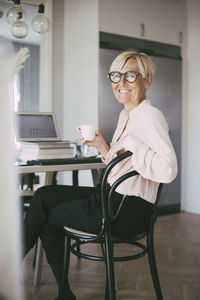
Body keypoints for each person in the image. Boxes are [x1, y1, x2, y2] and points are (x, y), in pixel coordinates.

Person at [23, 50, 178, 300]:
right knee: (43, 195)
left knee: (44, 213)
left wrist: (133, 143)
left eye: (130, 76)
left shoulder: (151, 116)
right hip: (109, 198)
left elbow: (169, 169)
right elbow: (124, 164)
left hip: (126, 210)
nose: (121, 83)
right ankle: (60, 292)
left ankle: (48, 286)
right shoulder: (125, 115)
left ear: (147, 81)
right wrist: (102, 147)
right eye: (116, 76)